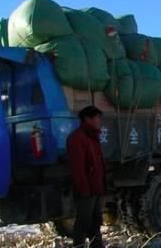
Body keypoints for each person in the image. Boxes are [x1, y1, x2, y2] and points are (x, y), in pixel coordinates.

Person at [66, 106, 105, 248]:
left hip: (95, 188)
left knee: (96, 222)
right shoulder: (77, 138)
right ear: (87, 119)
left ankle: (97, 246)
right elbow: (78, 169)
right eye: (97, 118)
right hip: (86, 191)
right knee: (83, 224)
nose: (99, 121)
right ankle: (79, 246)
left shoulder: (93, 136)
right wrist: (84, 191)